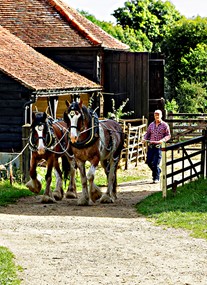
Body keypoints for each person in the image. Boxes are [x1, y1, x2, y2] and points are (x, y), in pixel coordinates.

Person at [143, 110, 171, 183]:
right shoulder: (151, 125)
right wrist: (144, 138)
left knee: (155, 163)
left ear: (161, 115)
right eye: (156, 115)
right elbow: (147, 133)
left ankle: (156, 178)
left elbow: (168, 135)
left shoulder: (165, 125)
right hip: (151, 146)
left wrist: (163, 140)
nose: (157, 116)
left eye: (158, 115)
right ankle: (158, 171)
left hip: (159, 147)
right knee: (149, 162)